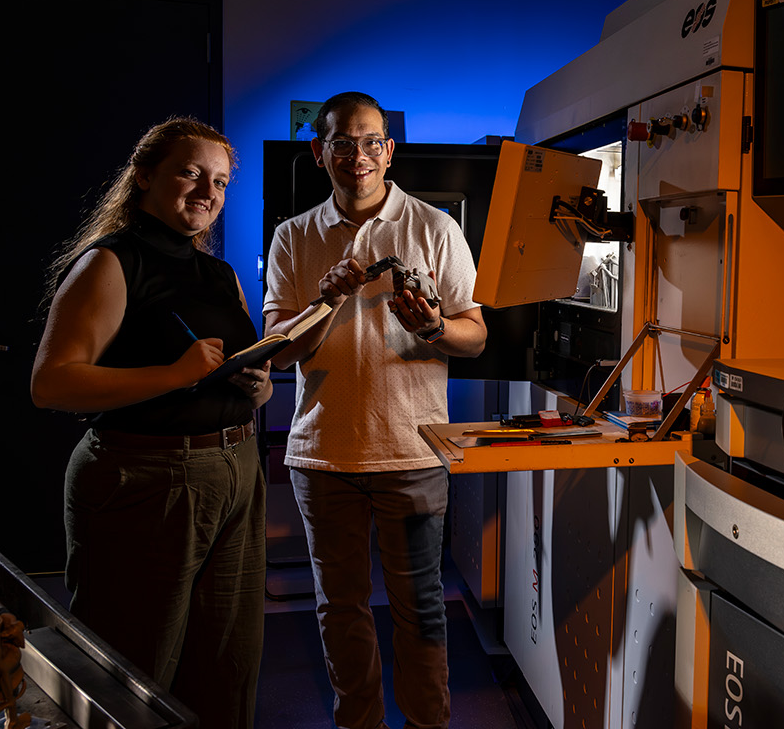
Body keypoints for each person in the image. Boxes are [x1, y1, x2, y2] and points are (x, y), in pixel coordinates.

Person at [31, 117, 271, 729]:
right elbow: (52, 382)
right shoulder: (111, 263)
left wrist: (256, 386)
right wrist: (175, 373)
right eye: (190, 173)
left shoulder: (219, 275)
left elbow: (225, 368)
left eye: (219, 181)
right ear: (143, 177)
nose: (206, 192)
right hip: (146, 477)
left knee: (227, 665)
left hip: (236, 469)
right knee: (133, 673)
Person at [263, 91, 486, 729]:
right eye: (341, 142)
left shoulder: (434, 229)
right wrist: (327, 299)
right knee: (340, 607)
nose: (356, 156)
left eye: (369, 142)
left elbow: (476, 335)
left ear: (388, 150)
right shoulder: (293, 237)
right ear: (318, 151)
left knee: (421, 605)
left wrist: (437, 326)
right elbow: (281, 353)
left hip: (414, 450)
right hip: (322, 452)